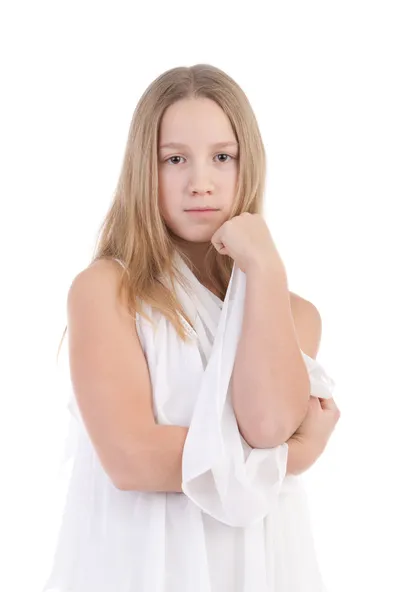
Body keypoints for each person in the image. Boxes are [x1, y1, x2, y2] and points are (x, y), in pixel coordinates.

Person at [44, 64, 341, 591]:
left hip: (260, 570)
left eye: (222, 158)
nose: (200, 182)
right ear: (144, 169)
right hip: (142, 568)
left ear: (247, 165)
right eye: (175, 159)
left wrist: (266, 268)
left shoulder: (293, 314)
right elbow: (131, 459)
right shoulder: (106, 291)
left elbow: (265, 422)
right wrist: (297, 456)